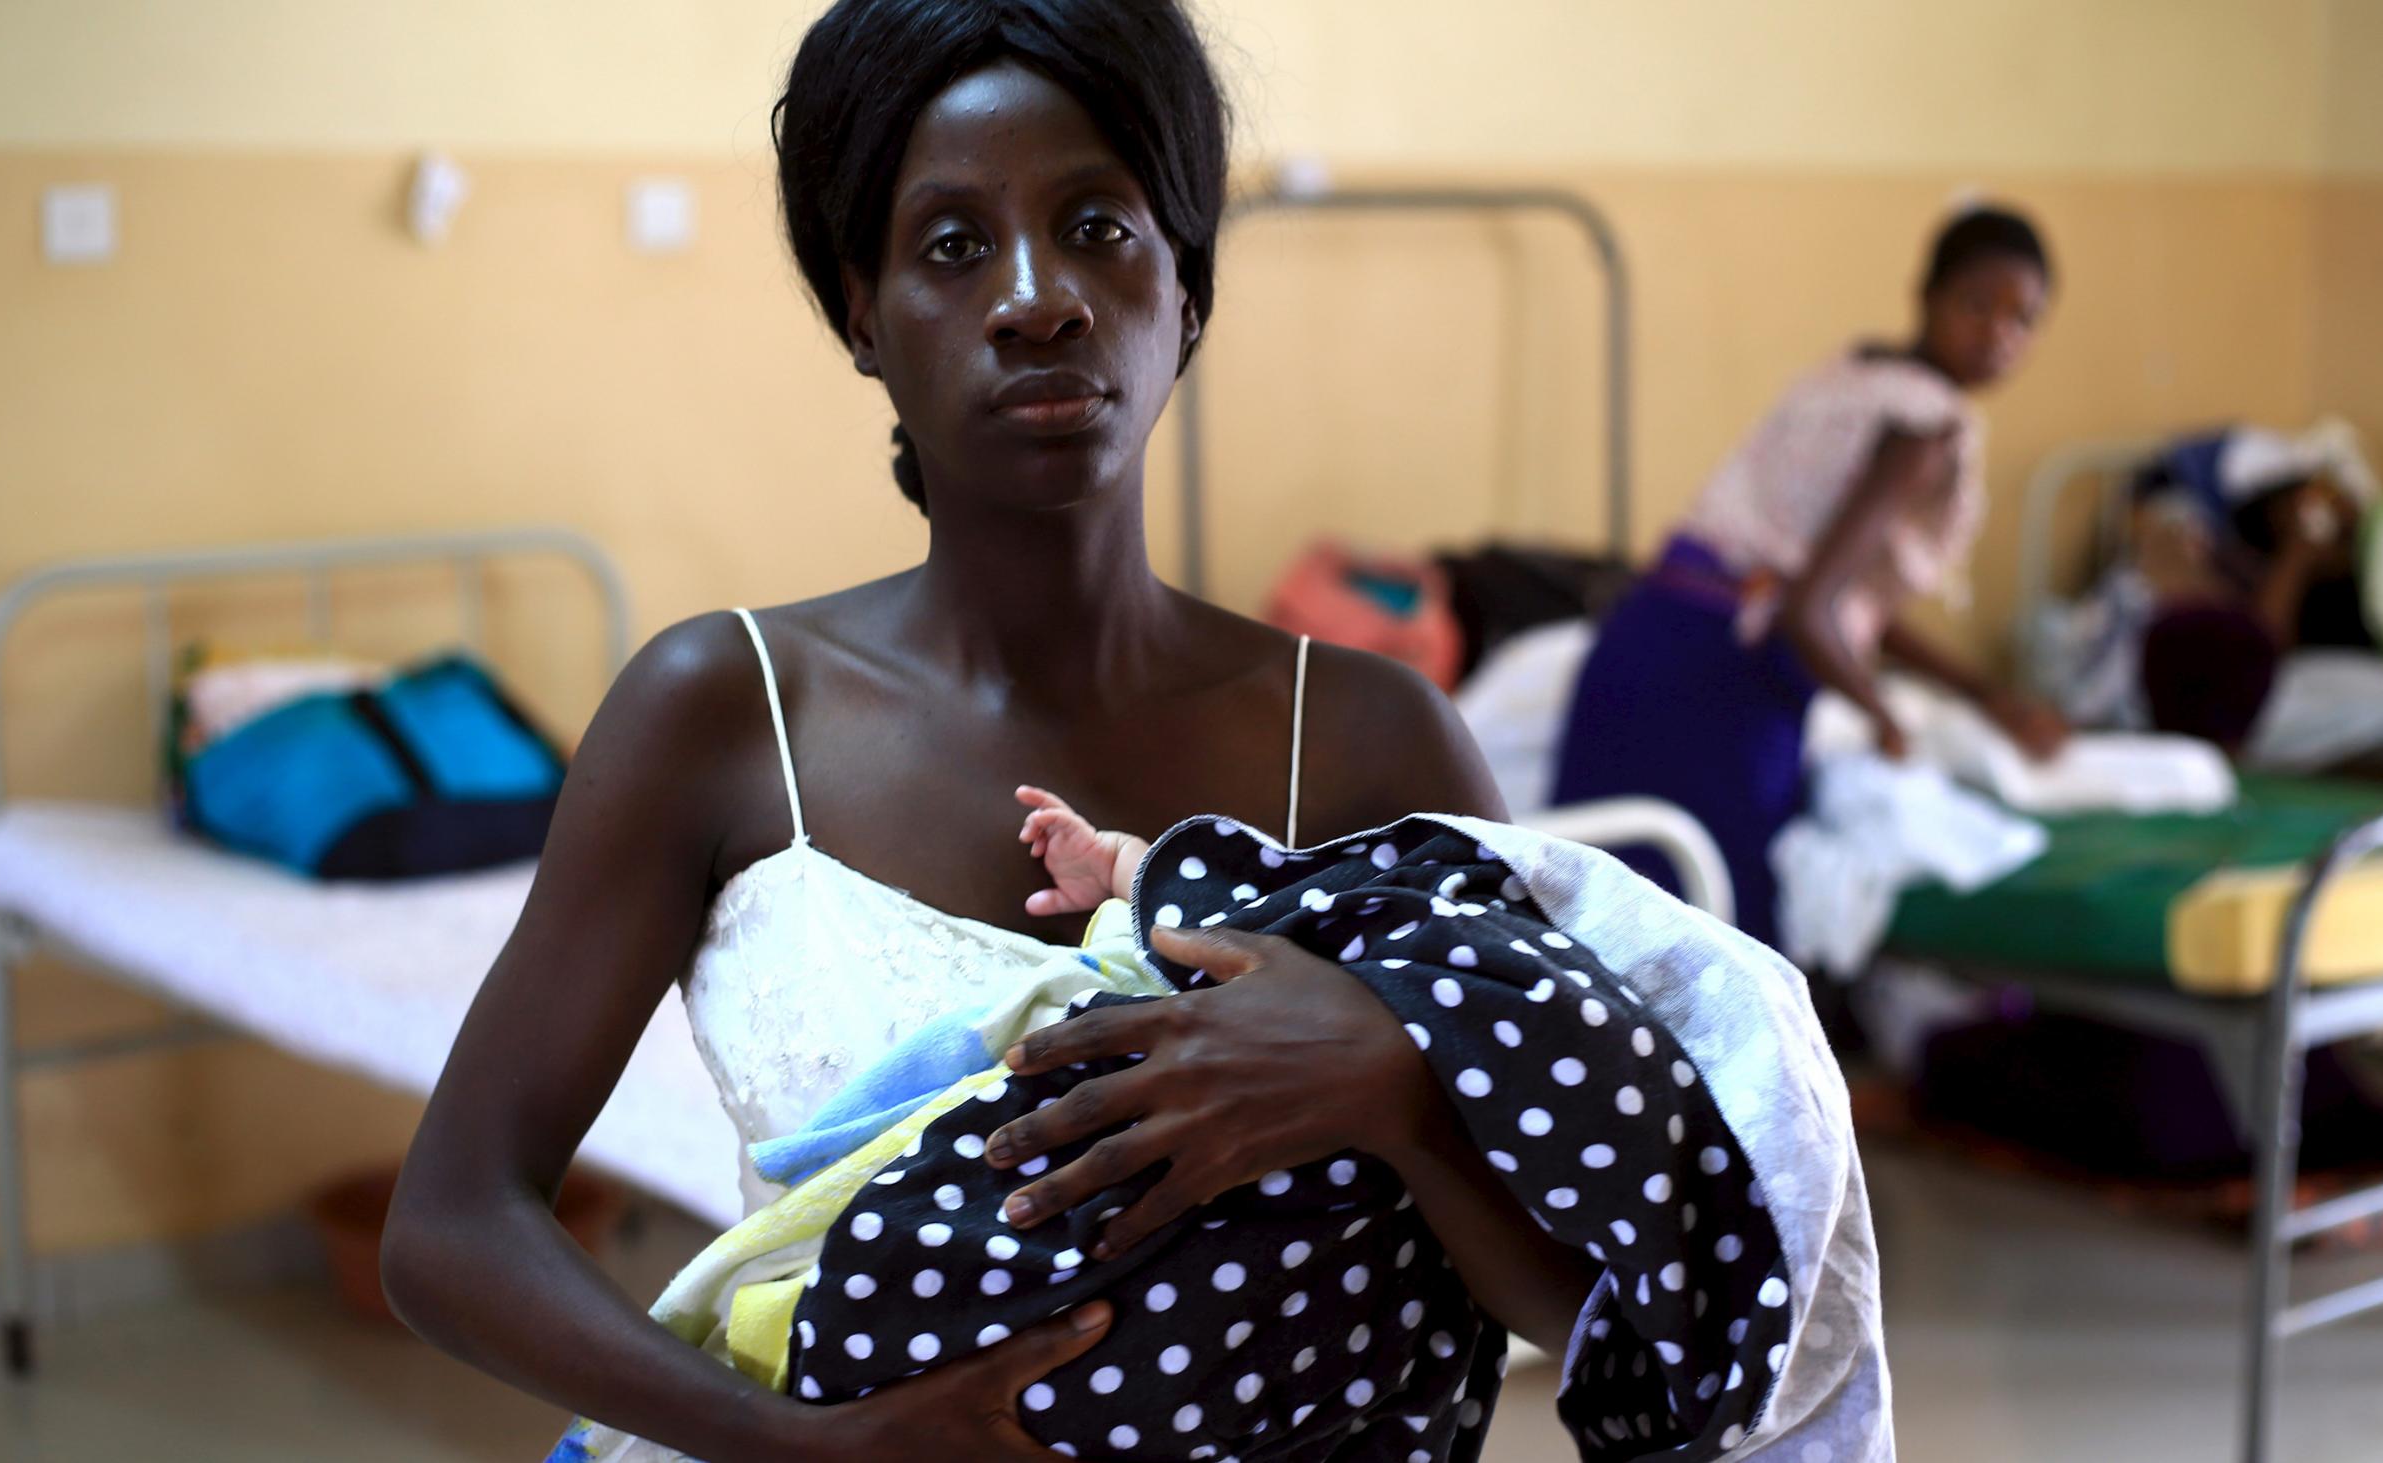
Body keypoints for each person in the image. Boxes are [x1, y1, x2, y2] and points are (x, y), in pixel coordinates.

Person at [380, 3, 1604, 1458]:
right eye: (954, 245)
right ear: (862, 313)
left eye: (1100, 225)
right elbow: (451, 1221)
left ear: (1188, 290)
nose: (1039, 297)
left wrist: (1392, 1081)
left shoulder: (1365, 741)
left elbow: (1584, 1289)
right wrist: (812, 1447)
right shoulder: (728, 711)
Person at [1552, 205, 2066, 946]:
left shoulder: (1852, 372)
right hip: (1720, 684)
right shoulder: (1924, 428)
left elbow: (1848, 603)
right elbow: (1809, 613)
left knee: (1589, 935)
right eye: (1977, 305)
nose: (1997, 334)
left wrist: (1989, 696)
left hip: (1646, 639)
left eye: (2023, 319)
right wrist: (1886, 721)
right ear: (1926, 294)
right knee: (1715, 953)